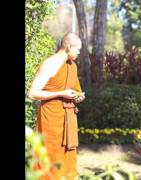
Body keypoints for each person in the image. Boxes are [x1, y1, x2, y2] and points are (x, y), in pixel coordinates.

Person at [28, 32, 85, 180]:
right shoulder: (50, 63)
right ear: (68, 46)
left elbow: (74, 89)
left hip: (68, 118)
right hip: (51, 119)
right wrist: (61, 93)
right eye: (77, 48)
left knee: (68, 158)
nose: (79, 52)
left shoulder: (72, 66)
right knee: (50, 156)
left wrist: (77, 96)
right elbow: (32, 93)